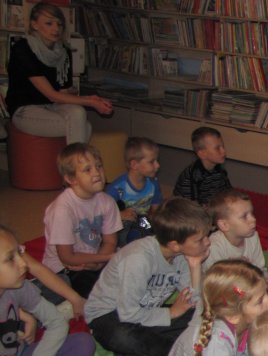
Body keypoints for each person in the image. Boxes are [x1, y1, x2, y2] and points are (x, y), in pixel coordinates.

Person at [84, 197, 210, 356]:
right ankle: (178, 352)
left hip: (146, 312)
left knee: (206, 313)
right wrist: (170, 313)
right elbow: (128, 313)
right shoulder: (138, 259)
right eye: (200, 240)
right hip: (111, 315)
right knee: (122, 336)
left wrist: (195, 266)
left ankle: (135, 353)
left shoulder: (181, 255)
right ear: (174, 245)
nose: (207, 242)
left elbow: (195, 301)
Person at [5, 2, 113, 144]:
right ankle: (76, 158)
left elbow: (63, 93)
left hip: (53, 106)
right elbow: (51, 94)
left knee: (78, 113)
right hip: (25, 110)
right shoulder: (23, 49)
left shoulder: (63, 52)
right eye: (49, 23)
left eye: (59, 24)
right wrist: (90, 101)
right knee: (83, 127)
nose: (56, 29)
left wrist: (92, 98)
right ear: (34, 25)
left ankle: (72, 158)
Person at [0, 225, 95, 356]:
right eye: (10, 258)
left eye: (20, 252)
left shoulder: (19, 286)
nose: (23, 263)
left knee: (84, 343)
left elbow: (57, 323)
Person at [42, 143, 122, 299]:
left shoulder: (107, 202)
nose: (97, 173)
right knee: (100, 293)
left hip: (95, 259)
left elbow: (110, 242)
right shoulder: (62, 210)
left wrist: (99, 263)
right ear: (71, 179)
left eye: (99, 166)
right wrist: (105, 258)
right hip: (65, 268)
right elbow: (67, 257)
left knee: (129, 274)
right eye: (87, 169)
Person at [204, 189, 268, 295]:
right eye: (244, 217)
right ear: (224, 225)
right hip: (225, 290)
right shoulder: (214, 246)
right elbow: (216, 285)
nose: (253, 219)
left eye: (252, 214)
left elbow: (259, 268)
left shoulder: (252, 236)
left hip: (250, 283)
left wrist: (266, 281)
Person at [105, 137, 163, 246]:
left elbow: (156, 209)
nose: (157, 165)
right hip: (122, 224)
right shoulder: (117, 188)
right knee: (129, 235)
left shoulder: (153, 183)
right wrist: (120, 215)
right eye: (152, 162)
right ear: (134, 164)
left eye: (157, 161)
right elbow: (101, 213)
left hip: (142, 221)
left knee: (157, 231)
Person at [172, 127, 231, 206]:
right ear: (202, 154)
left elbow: (228, 191)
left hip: (208, 204)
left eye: (223, 146)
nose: (223, 151)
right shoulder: (193, 177)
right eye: (217, 148)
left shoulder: (219, 170)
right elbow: (192, 206)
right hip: (187, 208)